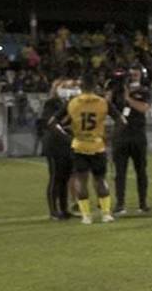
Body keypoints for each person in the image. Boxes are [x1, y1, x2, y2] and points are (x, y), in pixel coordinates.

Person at [65, 73, 115, 225]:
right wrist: (110, 137)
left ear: (81, 87)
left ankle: (86, 216)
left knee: (81, 180)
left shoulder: (73, 103)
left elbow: (56, 122)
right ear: (95, 86)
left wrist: (68, 137)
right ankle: (106, 214)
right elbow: (122, 120)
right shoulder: (102, 102)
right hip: (97, 145)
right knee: (100, 180)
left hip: (79, 145)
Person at [109, 65, 152, 214]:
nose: (132, 77)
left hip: (137, 135)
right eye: (131, 75)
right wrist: (112, 89)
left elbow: (144, 108)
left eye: (135, 75)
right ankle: (120, 204)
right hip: (121, 136)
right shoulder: (117, 90)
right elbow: (107, 107)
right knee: (120, 172)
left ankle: (143, 203)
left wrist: (129, 99)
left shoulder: (144, 91)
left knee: (141, 170)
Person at [39, 77, 75, 220]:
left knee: (65, 177)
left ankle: (64, 209)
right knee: (55, 176)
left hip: (67, 142)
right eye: (64, 86)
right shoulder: (51, 103)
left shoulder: (71, 103)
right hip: (54, 143)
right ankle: (53, 210)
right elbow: (51, 122)